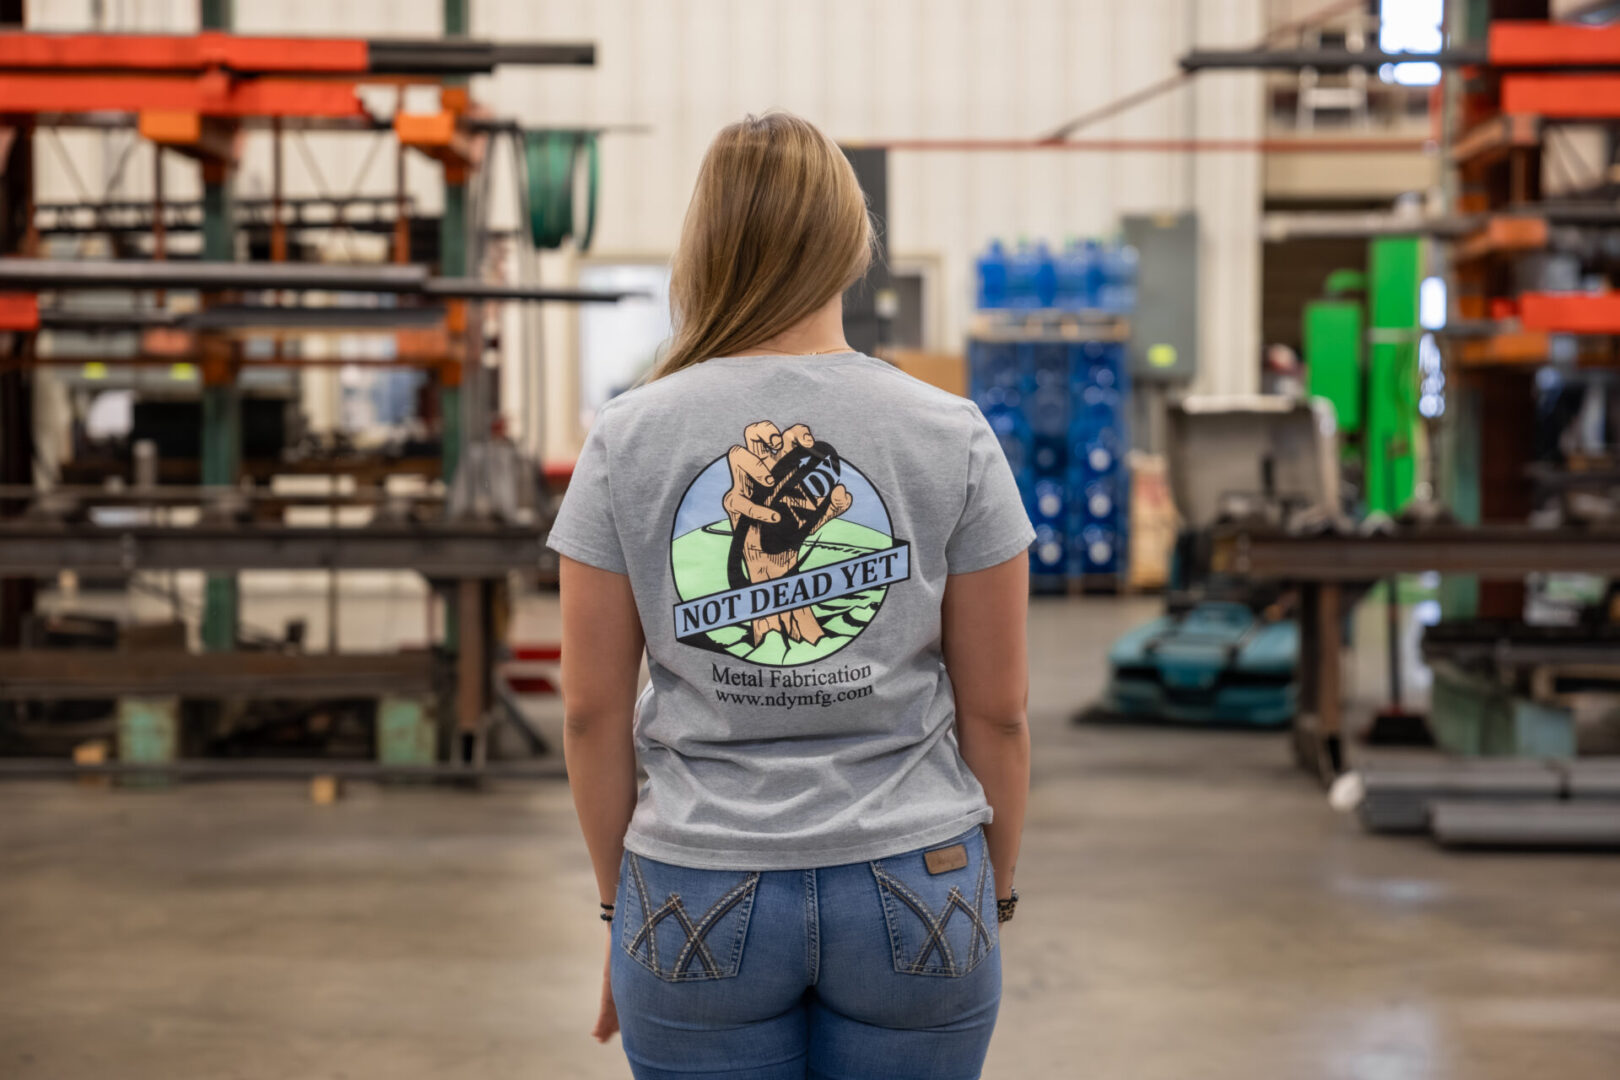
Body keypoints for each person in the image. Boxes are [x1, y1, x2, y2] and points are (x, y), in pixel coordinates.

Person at [547, 110, 1034, 1080]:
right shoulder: (949, 432)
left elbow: (590, 711)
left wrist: (622, 910)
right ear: (854, 244)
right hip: (917, 877)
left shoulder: (629, 436)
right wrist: (992, 894)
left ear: (704, 246)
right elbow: (1000, 712)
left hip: (694, 882)